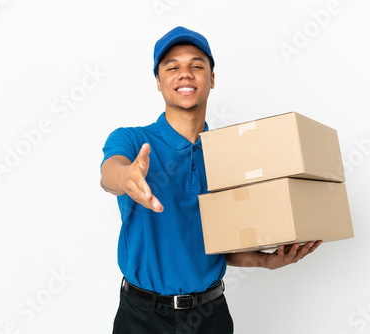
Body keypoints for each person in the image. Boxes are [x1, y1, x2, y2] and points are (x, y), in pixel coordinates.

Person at [100, 26, 322, 334]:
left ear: (212, 79)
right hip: (142, 318)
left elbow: (221, 243)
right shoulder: (133, 140)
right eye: (172, 67)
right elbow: (109, 173)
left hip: (210, 316)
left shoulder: (228, 155)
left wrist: (266, 262)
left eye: (196, 65)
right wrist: (127, 178)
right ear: (159, 82)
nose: (185, 73)